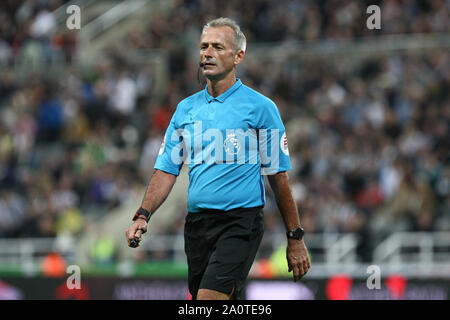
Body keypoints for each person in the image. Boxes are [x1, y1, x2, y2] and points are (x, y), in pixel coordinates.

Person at [125, 17, 310, 300]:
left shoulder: (261, 108)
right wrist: (143, 214)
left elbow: (278, 176)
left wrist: (295, 237)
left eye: (217, 47)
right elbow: (166, 170)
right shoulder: (185, 110)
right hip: (197, 226)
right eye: (203, 46)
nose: (207, 53)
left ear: (238, 56)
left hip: (240, 223)